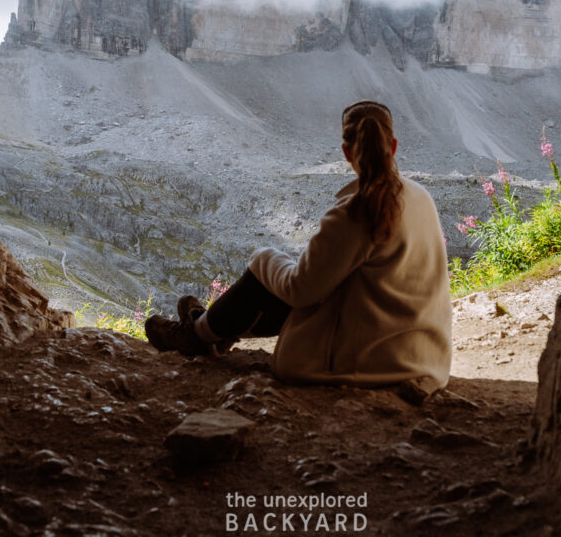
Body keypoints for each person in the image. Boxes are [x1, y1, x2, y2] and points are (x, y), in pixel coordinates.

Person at [145, 100, 452, 389]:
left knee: (268, 276)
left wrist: (263, 258)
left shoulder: (354, 213)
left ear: (346, 152)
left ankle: (197, 334)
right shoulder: (420, 197)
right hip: (424, 355)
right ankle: (210, 329)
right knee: (299, 276)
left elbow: (301, 292)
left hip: (372, 360)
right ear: (394, 146)